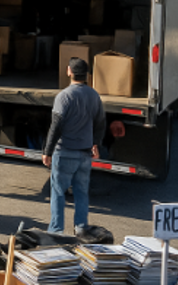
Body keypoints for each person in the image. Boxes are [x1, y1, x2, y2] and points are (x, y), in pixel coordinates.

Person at [43, 57, 106, 235]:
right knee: (81, 192)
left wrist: (47, 151)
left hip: (64, 152)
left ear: (69, 71)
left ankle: (56, 230)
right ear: (87, 74)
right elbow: (101, 122)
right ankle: (80, 227)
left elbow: (56, 125)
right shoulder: (94, 95)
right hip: (85, 154)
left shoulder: (64, 96)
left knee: (58, 192)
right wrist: (96, 144)